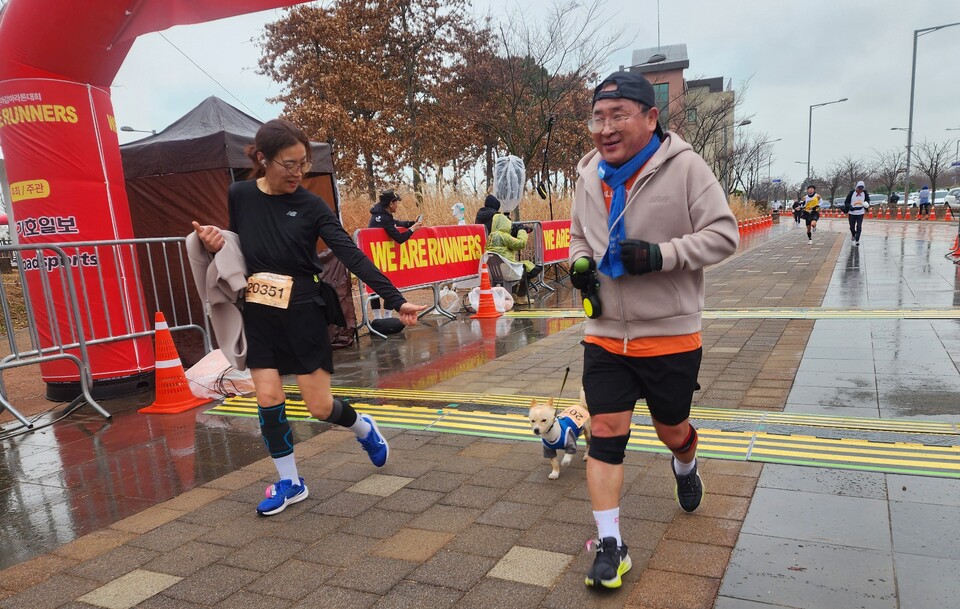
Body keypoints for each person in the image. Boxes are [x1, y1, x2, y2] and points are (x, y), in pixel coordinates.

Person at [192, 119, 425, 517]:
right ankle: (290, 482)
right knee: (267, 397)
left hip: (303, 311)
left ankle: (363, 428)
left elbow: (351, 255)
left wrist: (395, 299)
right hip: (259, 311)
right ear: (263, 159)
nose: (299, 173)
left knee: (319, 407)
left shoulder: (312, 205)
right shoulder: (241, 194)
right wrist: (213, 243)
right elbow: (237, 245)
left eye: (304, 163)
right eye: (289, 164)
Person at [569, 71, 738, 589]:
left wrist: (662, 255)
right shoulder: (586, 174)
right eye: (598, 117)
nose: (605, 128)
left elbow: (724, 235)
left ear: (650, 117)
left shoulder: (684, 167)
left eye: (618, 115)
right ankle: (611, 546)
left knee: (672, 430)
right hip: (605, 335)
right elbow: (579, 236)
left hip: (669, 335)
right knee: (604, 431)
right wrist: (578, 263)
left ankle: (685, 464)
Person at [368, 190, 424, 318]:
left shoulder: (380, 214)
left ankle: (379, 317)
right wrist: (412, 229)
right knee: (387, 283)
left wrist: (411, 223)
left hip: (376, 255)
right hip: (383, 256)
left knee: (374, 283)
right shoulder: (384, 218)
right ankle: (384, 318)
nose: (397, 205)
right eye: (396, 202)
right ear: (391, 203)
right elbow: (399, 238)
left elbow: (396, 223)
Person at [486, 212, 542, 304]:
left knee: (516, 265)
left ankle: (513, 295)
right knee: (531, 268)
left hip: (494, 272)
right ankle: (521, 296)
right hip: (507, 270)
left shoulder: (490, 237)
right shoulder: (504, 236)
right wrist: (522, 230)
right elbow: (521, 244)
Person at [843, 180, 870, 246]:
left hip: (860, 212)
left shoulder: (865, 194)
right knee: (852, 227)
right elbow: (846, 202)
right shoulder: (851, 193)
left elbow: (867, 201)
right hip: (852, 212)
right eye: (859, 188)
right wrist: (850, 207)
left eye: (861, 189)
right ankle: (853, 234)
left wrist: (866, 205)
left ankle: (857, 239)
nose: (860, 190)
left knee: (859, 226)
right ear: (856, 188)